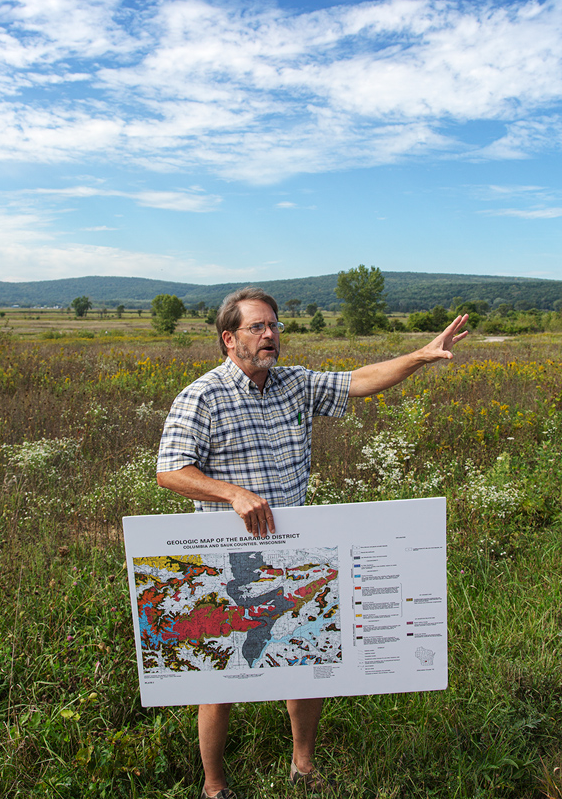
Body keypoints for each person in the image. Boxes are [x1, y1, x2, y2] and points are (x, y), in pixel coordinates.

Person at [157, 287, 468, 799]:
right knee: (218, 675)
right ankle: (214, 786)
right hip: (228, 559)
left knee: (307, 657)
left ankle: (303, 765)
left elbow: (359, 381)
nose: (270, 335)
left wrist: (419, 355)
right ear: (228, 338)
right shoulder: (202, 396)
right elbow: (170, 470)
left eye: (275, 326)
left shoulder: (293, 385)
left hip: (295, 548)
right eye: (258, 327)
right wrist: (233, 494)